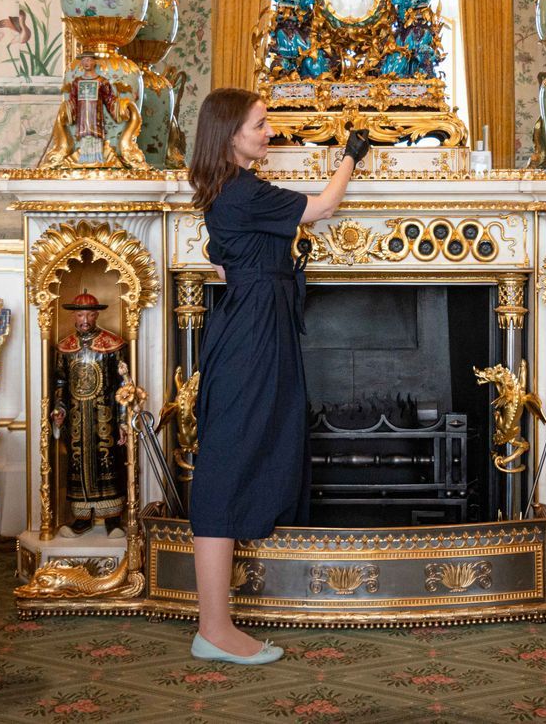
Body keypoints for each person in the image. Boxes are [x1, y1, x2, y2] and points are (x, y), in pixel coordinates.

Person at [185, 88, 371, 664]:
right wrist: (352, 155)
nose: (269, 134)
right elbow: (322, 209)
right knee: (227, 460)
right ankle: (214, 628)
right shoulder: (243, 192)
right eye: (260, 125)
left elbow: (222, 261)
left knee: (238, 450)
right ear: (230, 135)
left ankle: (214, 624)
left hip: (251, 323)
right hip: (253, 333)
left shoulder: (229, 193)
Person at [49, 292, 127, 535]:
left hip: (105, 416)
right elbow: (60, 383)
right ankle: (82, 518)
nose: (85, 319)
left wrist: (123, 420)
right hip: (76, 418)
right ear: (74, 315)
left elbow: (124, 386)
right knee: (77, 463)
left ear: (96, 315)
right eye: (80, 314)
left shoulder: (112, 345)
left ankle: (113, 517)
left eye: (89, 314)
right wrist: (59, 409)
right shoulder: (65, 347)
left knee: (108, 460)